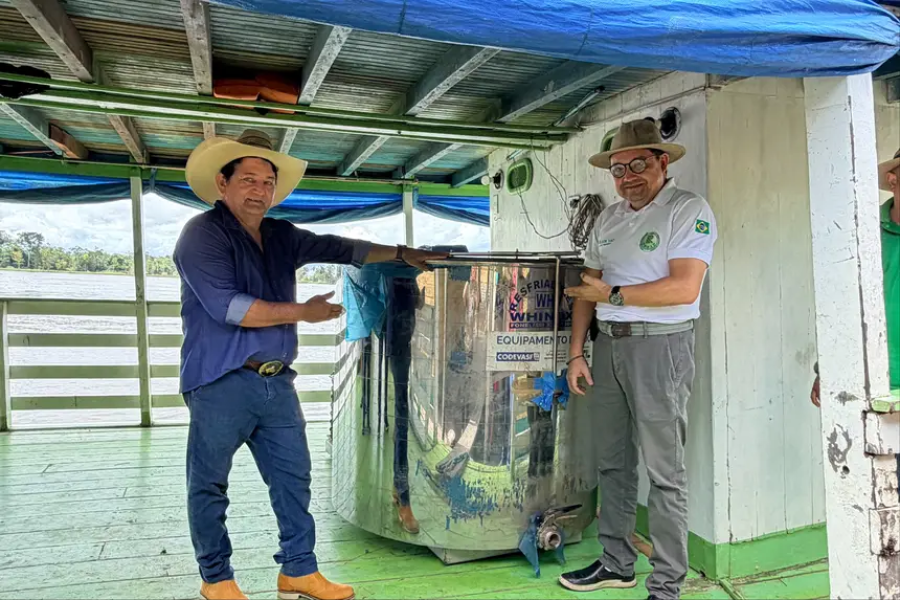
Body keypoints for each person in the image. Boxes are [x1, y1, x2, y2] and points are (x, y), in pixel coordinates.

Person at [173, 129, 445, 600]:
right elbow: (230, 308)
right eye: (249, 179)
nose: (259, 190)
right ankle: (216, 579)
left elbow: (343, 248)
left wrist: (403, 254)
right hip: (219, 381)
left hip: (276, 382)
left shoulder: (280, 234)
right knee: (209, 484)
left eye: (267, 182)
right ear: (223, 183)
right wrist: (305, 312)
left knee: (293, 478)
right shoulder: (201, 235)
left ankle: (298, 570)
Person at [559, 119, 717, 600]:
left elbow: (685, 286)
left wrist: (615, 293)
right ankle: (616, 563)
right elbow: (587, 289)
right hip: (607, 348)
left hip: (660, 347)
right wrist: (577, 353)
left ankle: (667, 584)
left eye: (638, 164)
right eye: (618, 168)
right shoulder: (607, 218)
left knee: (665, 473)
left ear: (662, 162)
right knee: (613, 463)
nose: (628, 175)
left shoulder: (688, 210)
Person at [810, 148, 900, 406]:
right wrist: (825, 367)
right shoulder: (863, 233)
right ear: (893, 180)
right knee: (873, 446)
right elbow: (843, 307)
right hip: (873, 383)